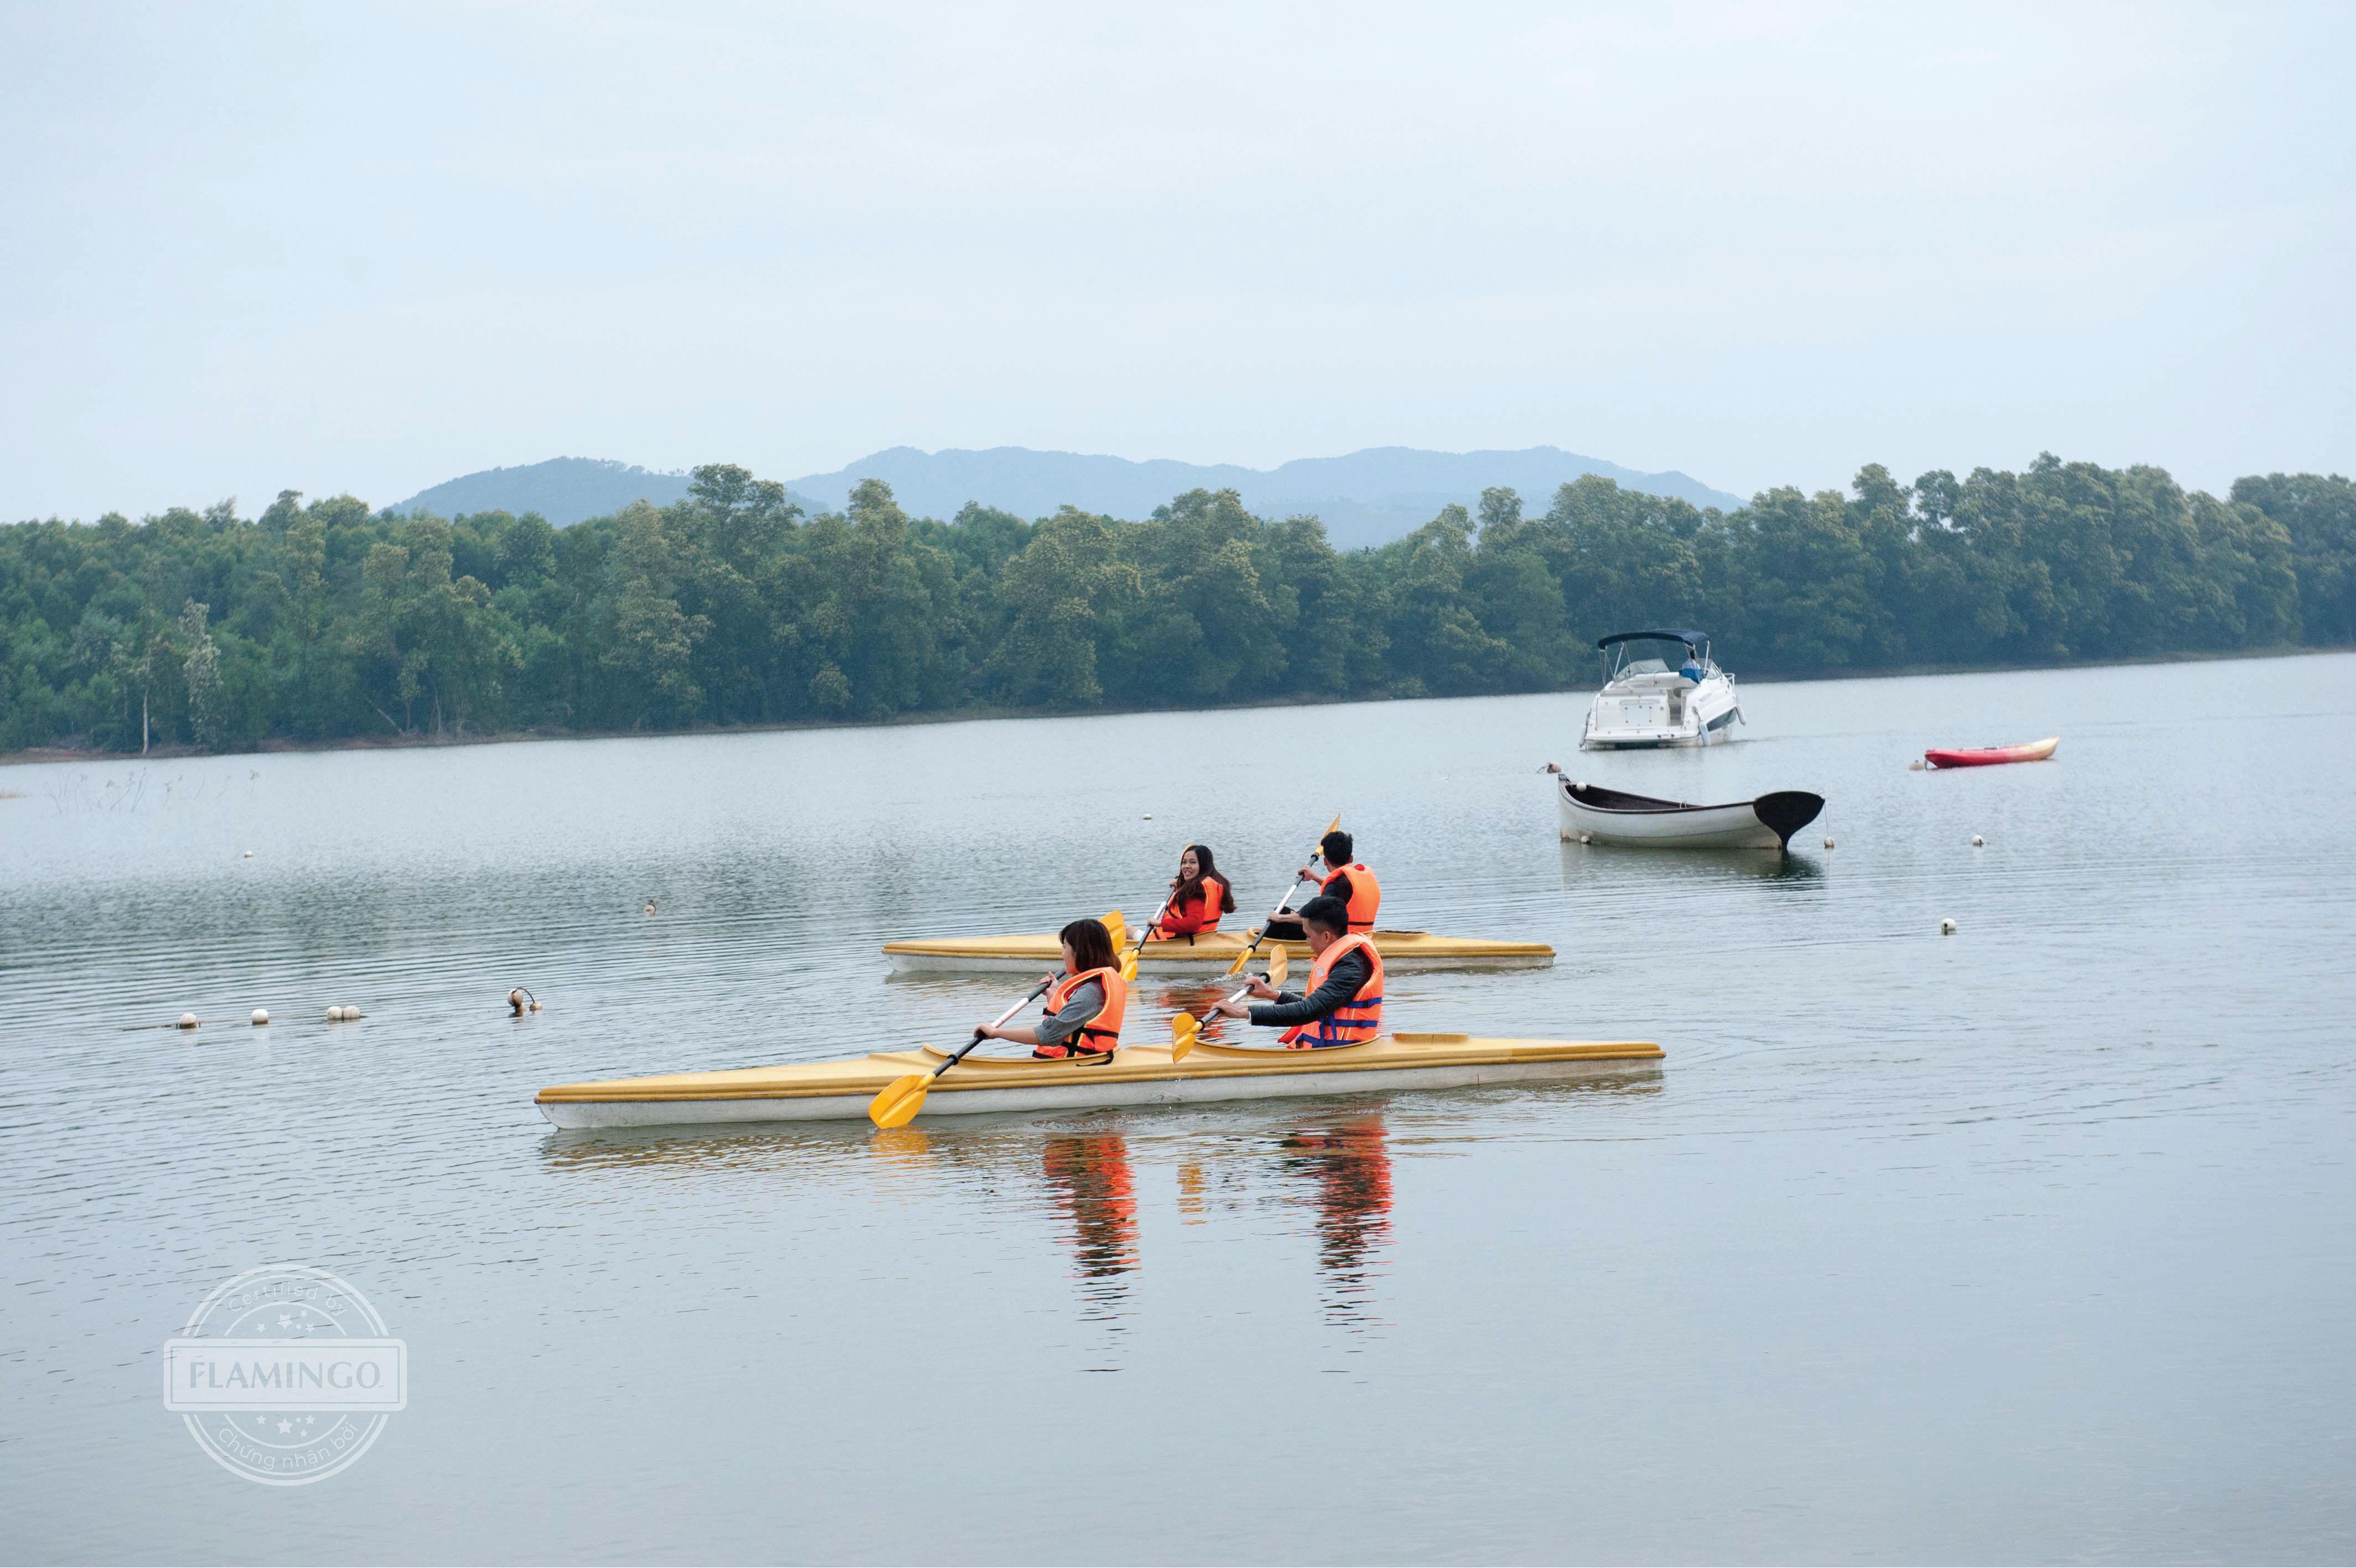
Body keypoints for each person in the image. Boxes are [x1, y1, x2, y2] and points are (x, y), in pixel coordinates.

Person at [1213, 896, 1384, 1048]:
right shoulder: (1344, 959)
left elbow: (1309, 1010)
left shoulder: (1350, 968)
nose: (1307, 942)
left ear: (1326, 937)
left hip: (1343, 1050)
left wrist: (1243, 1013)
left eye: (1308, 936)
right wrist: (1274, 995)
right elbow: (1318, 1006)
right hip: (1329, 1046)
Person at [973, 917, 1130, 1060]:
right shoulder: (1094, 987)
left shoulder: (1091, 992)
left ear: (1080, 952)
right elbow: (1069, 1023)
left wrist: (996, 1033)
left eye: (1065, 948)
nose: (1062, 954)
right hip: (1081, 1062)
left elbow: (1049, 1035)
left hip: (1077, 1068)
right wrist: (1054, 994)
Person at [1264, 829, 1380, 941]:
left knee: (1280, 912)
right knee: (1286, 913)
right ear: (1351, 858)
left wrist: (1280, 918)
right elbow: (1341, 891)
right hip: (1365, 933)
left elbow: (1315, 917)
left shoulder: (1335, 886)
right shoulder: (1359, 875)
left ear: (1325, 861)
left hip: (1341, 937)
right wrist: (1314, 877)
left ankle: (1270, 944)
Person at [1146, 843, 1236, 941]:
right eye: (1184, 863)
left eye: (1193, 862)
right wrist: (1182, 885)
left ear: (1203, 865)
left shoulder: (1195, 890)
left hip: (1171, 941)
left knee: (1129, 931)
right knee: (1131, 931)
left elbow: (1194, 923)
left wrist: (1160, 923)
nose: (1187, 866)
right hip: (1204, 938)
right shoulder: (1217, 882)